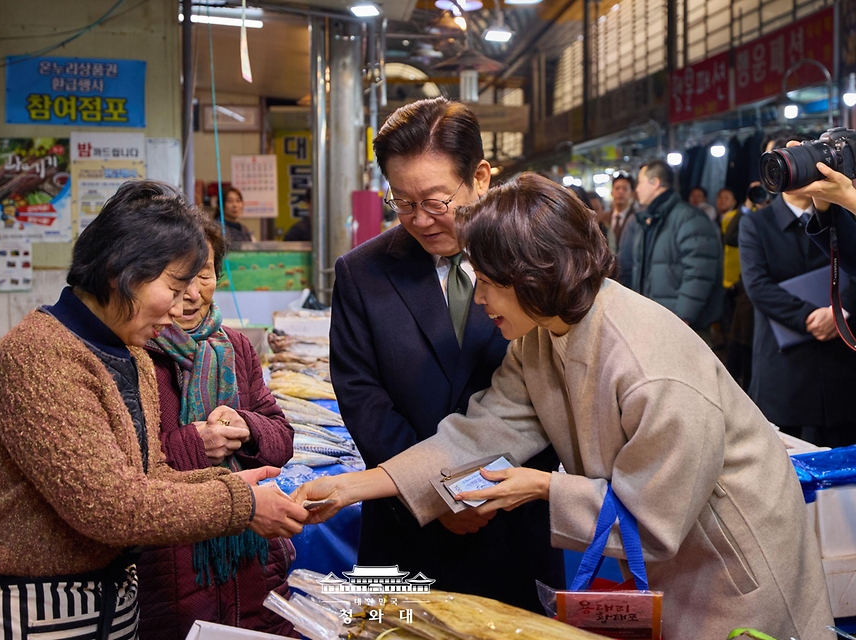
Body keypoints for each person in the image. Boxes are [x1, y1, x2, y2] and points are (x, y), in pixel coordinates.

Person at [295, 173, 834, 640]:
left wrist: (542, 487)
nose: (479, 301)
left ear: (532, 277)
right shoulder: (543, 333)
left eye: (485, 283)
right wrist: (353, 487)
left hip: (732, 563)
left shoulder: (651, 369)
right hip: (672, 566)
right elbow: (481, 432)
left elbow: (654, 523)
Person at [0, 181, 307, 640]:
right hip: (22, 612)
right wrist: (239, 503)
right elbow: (109, 506)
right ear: (119, 271)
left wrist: (227, 480)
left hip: (105, 610)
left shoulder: (133, 355)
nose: (185, 302)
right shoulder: (41, 355)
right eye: (173, 284)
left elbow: (147, 476)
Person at [329, 97, 564, 612]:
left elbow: (553, 385)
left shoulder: (539, 262)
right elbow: (361, 396)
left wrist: (476, 493)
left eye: (436, 201)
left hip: (512, 514)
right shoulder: (361, 273)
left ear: (480, 177)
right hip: (401, 523)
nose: (420, 219)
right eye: (403, 202)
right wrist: (436, 498)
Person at [138, 219, 298, 638]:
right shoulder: (134, 353)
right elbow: (125, 468)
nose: (191, 294)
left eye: (203, 275)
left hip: (253, 563)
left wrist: (247, 425)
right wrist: (195, 443)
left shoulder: (235, 346)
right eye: (178, 279)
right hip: (174, 562)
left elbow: (281, 440)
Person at [738, 138, 856, 447]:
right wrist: (809, 317)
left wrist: (841, 311)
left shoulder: (844, 213)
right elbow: (757, 286)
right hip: (784, 363)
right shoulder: (756, 224)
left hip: (842, 357)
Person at [632, 160, 723, 342]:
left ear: (655, 183)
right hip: (654, 322)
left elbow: (700, 272)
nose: (637, 189)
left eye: (640, 182)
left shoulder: (689, 218)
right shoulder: (649, 220)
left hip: (681, 327)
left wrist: (682, 317)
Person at [717, 186, 753, 389]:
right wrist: (747, 206)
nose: (722, 201)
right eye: (719, 197)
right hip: (732, 283)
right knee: (734, 333)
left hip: (747, 287)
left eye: (727, 197)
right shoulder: (738, 216)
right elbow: (730, 237)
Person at [607, 172, 638, 287]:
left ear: (632, 194)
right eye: (617, 188)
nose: (620, 192)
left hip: (629, 279)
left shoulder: (637, 220)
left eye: (625, 189)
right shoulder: (603, 219)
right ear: (612, 192)